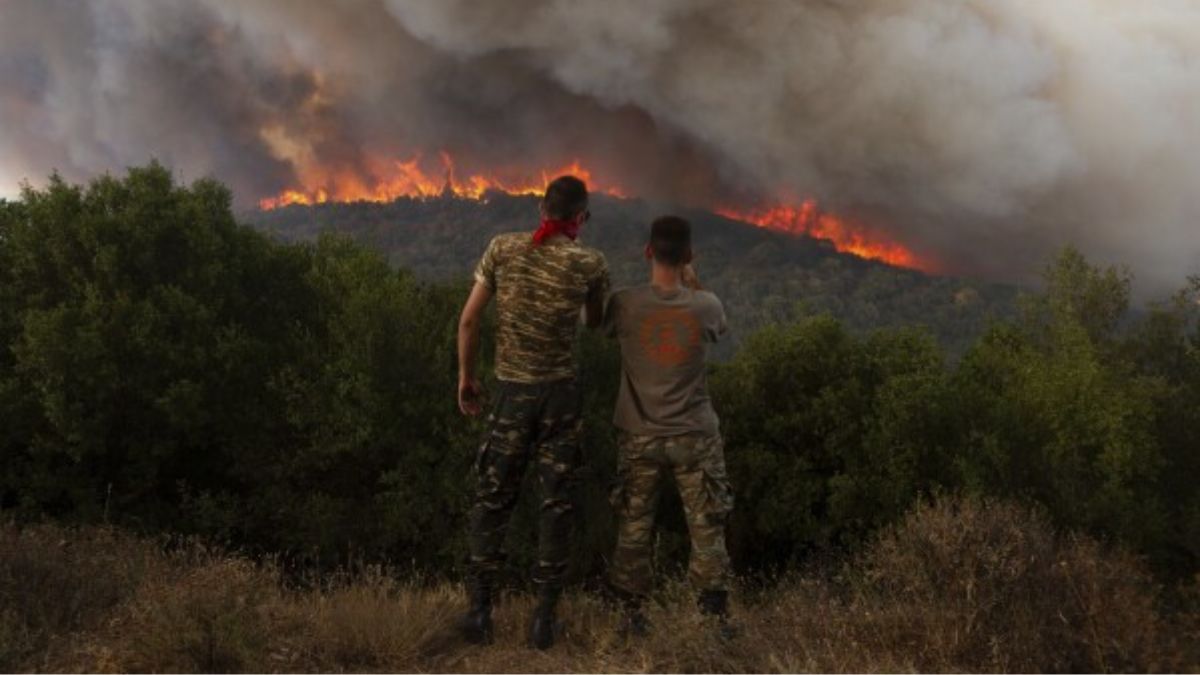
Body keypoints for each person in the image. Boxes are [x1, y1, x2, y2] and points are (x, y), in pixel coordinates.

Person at [455, 175, 609, 649]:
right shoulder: (590, 262)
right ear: (580, 217)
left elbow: (469, 320)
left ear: (542, 209)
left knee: (492, 500)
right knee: (555, 504)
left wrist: (466, 377)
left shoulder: (502, 248)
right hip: (560, 398)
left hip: (510, 394)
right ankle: (543, 621)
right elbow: (595, 322)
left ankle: (480, 614)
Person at [604, 215, 736, 638]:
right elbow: (718, 328)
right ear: (689, 255)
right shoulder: (706, 305)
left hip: (639, 434)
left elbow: (597, 323)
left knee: (634, 524)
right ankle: (713, 621)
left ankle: (630, 617)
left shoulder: (624, 304)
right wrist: (692, 282)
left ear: (648, 251)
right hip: (694, 434)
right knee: (706, 524)